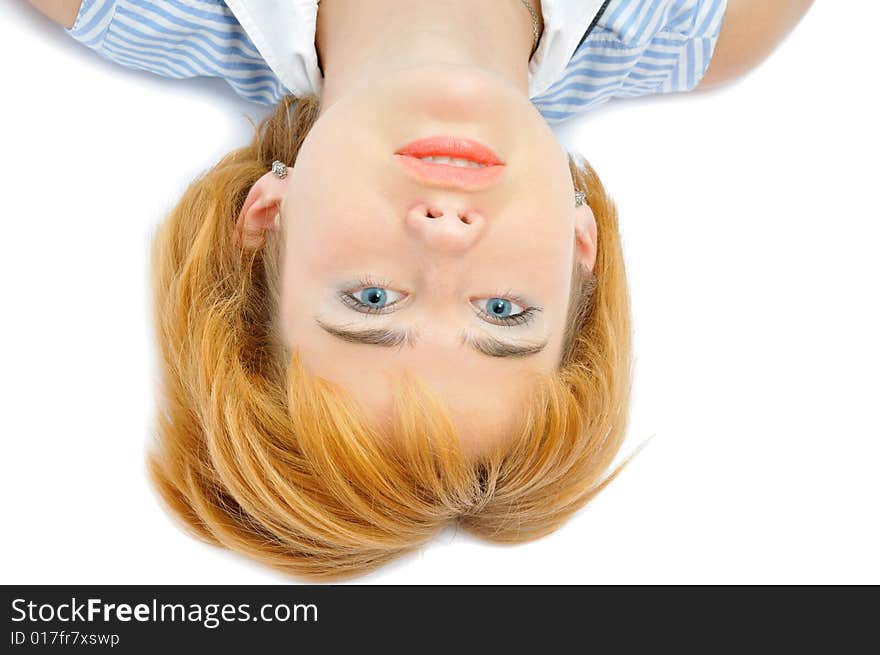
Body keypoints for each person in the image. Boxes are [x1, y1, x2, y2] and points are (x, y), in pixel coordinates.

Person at [29, 0, 814, 579]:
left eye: (370, 300)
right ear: (581, 250)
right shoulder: (715, 22)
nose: (444, 236)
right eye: (502, 312)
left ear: (265, 221)